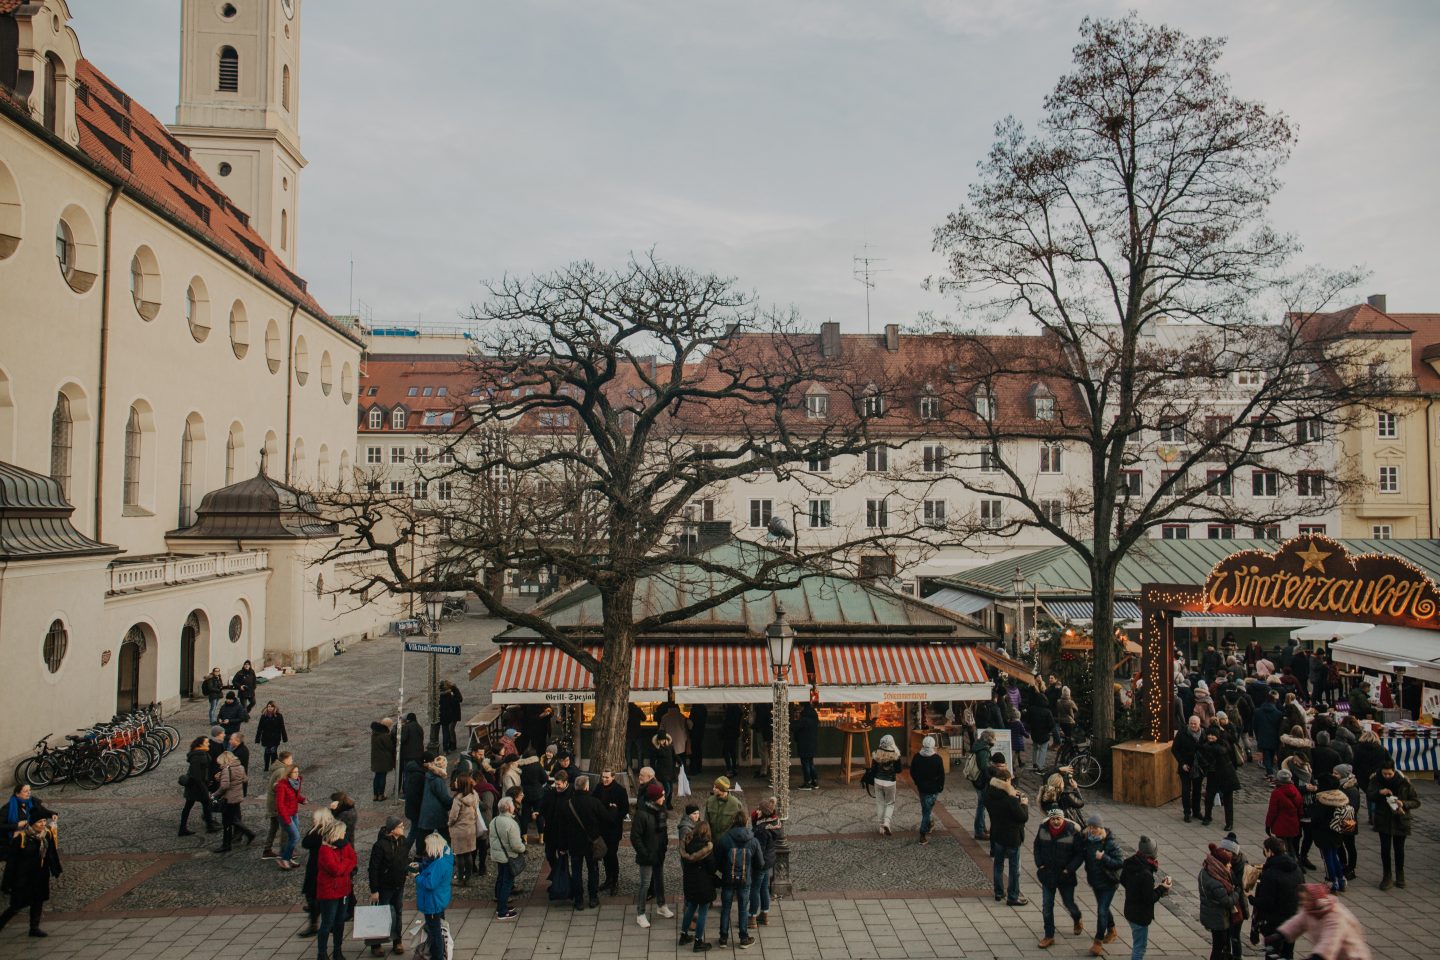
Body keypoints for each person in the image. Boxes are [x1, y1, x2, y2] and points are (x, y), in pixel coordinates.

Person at [0, 805, 61, 938]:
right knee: (16, 905)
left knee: (37, 901)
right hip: (23, 877)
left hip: (40, 874)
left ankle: (34, 927)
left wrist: (55, 868)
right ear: (32, 823)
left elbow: (51, 853)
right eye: (39, 822)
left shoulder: (46, 834)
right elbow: (12, 863)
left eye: (44, 821)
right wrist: (7, 883)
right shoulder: (21, 839)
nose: (43, 824)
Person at [1270, 884, 1370, 960]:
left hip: (1352, 956)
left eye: (1306, 899)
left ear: (1314, 900)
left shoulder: (1335, 916)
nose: (1302, 902)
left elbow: (1330, 942)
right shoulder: (1309, 909)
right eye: (1301, 899)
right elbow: (1296, 923)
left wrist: (1316, 957)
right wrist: (1279, 935)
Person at [1033, 806, 1084, 949]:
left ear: (1063, 819)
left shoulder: (1072, 831)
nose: (1055, 822)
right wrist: (1040, 864)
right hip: (1048, 874)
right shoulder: (1043, 829)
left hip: (1065, 876)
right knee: (1047, 906)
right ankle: (1049, 935)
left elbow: (1079, 854)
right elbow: (1037, 846)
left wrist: (1069, 869)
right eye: (1053, 819)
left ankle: (1077, 917)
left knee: (1069, 904)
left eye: (1058, 819)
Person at [1368, 761, 1418, 889]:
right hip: (1383, 819)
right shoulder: (1376, 780)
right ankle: (1387, 876)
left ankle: (1400, 875)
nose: (1387, 776)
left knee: (1399, 849)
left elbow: (1416, 801)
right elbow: (1370, 795)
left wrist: (1403, 803)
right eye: (1385, 774)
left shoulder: (1404, 783)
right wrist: (1380, 793)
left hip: (1400, 820)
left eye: (1389, 774)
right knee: (1385, 849)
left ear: (1394, 771)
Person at [1120, 835, 1170, 960]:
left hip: (1130, 910)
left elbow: (1122, 880)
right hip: (1140, 916)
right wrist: (1162, 888)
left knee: (1138, 943)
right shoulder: (1146, 874)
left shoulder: (1130, 862)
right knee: (1140, 947)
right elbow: (1149, 898)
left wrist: (1134, 890)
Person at [1252, 836, 1302, 960]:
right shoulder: (1296, 869)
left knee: (1272, 954)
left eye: (1265, 850)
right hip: (1293, 920)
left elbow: (1267, 902)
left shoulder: (1270, 874)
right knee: (1288, 953)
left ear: (1270, 852)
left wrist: (1251, 898)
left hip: (1274, 923)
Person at [365, 816, 409, 958]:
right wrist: (374, 890)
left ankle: (397, 941)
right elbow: (373, 868)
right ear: (392, 830)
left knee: (398, 912)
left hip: (398, 884)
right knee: (381, 914)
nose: (403, 828)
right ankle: (376, 944)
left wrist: (406, 871)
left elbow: (404, 859)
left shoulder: (403, 841)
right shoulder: (380, 846)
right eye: (400, 826)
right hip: (384, 886)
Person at [313, 819, 357, 960]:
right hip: (329, 892)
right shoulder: (324, 850)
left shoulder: (344, 845)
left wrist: (344, 865)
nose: (345, 834)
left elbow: (353, 859)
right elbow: (335, 869)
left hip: (344, 890)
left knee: (340, 922)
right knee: (327, 923)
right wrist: (346, 864)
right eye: (343, 832)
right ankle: (322, 953)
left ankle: (337, 950)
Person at [716, 811, 760, 950]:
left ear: (733, 821)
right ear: (746, 822)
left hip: (728, 878)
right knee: (742, 908)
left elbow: (717, 859)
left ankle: (723, 938)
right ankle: (743, 937)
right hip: (745, 879)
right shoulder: (752, 840)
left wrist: (725, 871)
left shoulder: (724, 838)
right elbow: (760, 862)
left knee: (726, 908)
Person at [985, 768, 1029, 906]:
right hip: (1012, 837)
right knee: (1014, 867)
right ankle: (1013, 896)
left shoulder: (989, 794)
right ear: (1006, 781)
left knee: (998, 865)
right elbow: (1022, 817)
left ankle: (999, 892)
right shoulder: (1010, 799)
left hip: (997, 834)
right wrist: (1024, 805)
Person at [1081, 813, 1124, 955]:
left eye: (1096, 827)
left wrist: (1104, 857)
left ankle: (1098, 941)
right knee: (1104, 908)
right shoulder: (1087, 840)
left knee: (1101, 910)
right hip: (1095, 881)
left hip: (1108, 883)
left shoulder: (1110, 843)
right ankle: (1111, 929)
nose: (1093, 829)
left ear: (1101, 827)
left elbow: (1120, 862)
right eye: (1091, 827)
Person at [632, 781, 673, 927]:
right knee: (645, 884)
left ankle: (661, 906)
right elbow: (635, 837)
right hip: (648, 855)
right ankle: (640, 913)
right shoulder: (642, 814)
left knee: (659, 880)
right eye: (662, 796)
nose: (664, 799)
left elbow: (664, 832)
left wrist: (664, 847)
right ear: (654, 798)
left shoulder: (660, 810)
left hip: (658, 853)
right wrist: (645, 853)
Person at [564, 775, 605, 910]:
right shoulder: (594, 802)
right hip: (591, 843)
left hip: (574, 843)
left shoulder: (568, 804)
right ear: (587, 787)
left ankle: (579, 899)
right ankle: (593, 897)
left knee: (576, 871)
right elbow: (606, 819)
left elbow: (562, 825)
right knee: (593, 870)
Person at [1198, 839, 1243, 960]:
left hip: (1214, 915)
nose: (1230, 865)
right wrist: (1236, 893)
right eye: (1228, 864)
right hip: (1218, 918)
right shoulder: (1216, 881)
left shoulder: (1208, 871)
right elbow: (1226, 901)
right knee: (1219, 947)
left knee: (1220, 946)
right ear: (1220, 865)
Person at [679, 820, 718, 953]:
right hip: (703, 884)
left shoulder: (687, 844)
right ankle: (698, 942)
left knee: (691, 907)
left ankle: (683, 935)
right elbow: (712, 868)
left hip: (689, 882)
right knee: (703, 912)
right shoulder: (706, 848)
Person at [415, 832, 454, 960]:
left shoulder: (439, 864)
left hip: (432, 902)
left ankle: (438, 956)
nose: (426, 849)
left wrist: (417, 877)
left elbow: (429, 883)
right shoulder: (444, 858)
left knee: (435, 932)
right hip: (439, 899)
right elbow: (431, 869)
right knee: (438, 929)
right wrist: (421, 867)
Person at [1313, 776, 1354, 892]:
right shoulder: (1342, 799)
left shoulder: (1323, 800)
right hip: (1337, 832)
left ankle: (1332, 880)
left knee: (1327, 858)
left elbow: (1316, 818)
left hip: (1324, 833)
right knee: (1334, 856)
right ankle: (1341, 879)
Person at [489, 796, 525, 920]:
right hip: (508, 856)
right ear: (509, 808)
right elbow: (516, 845)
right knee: (507, 882)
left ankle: (500, 906)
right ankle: (503, 910)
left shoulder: (494, 821)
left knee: (500, 879)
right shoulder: (511, 823)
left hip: (498, 855)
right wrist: (523, 848)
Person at [213, 750, 256, 853]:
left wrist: (215, 794)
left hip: (229, 798)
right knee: (234, 819)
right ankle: (247, 834)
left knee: (227, 822)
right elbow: (245, 779)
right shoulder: (240, 767)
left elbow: (225, 786)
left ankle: (227, 844)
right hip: (237, 797)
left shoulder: (226, 770)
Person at [595, 769, 629, 894]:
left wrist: (614, 816)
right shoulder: (598, 788)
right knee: (605, 855)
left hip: (613, 829)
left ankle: (614, 880)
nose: (604, 779)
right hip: (601, 828)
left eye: (607, 777)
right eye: (603, 777)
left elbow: (625, 809)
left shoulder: (620, 790)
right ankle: (608, 879)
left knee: (612, 855)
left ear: (613, 777)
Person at [748, 797, 780, 928]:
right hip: (769, 860)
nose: (757, 811)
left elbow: (758, 849)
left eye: (759, 809)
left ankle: (752, 917)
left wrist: (756, 863)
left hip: (760, 862)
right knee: (764, 887)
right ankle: (765, 914)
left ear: (763, 812)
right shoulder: (774, 822)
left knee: (755, 889)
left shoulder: (761, 830)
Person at [1199, 724, 1238, 830]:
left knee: (1228, 800)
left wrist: (1207, 746)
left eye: (1213, 735)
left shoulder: (1222, 745)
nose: (1210, 737)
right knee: (1209, 797)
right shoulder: (1206, 745)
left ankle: (1229, 822)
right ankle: (1207, 817)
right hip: (1213, 775)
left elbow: (1221, 750)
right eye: (1209, 735)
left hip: (1226, 775)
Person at [448, 775, 483, 886]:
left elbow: (453, 816)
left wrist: (449, 824)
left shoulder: (458, 799)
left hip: (459, 830)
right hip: (470, 828)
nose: (456, 782)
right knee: (468, 854)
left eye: (457, 781)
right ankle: (468, 877)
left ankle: (460, 878)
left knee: (459, 854)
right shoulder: (474, 795)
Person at [179, 736, 216, 837]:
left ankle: (209, 826)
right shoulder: (197, 756)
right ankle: (209, 826)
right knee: (201, 805)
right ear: (200, 744)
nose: (208, 744)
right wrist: (204, 787)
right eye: (206, 743)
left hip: (198, 786)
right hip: (195, 787)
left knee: (199, 805)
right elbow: (196, 775)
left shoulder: (202, 753)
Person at [910, 735, 945, 844]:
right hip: (933, 788)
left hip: (922, 787)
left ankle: (929, 824)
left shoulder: (917, 757)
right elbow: (941, 775)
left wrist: (917, 781)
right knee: (927, 810)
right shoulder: (937, 759)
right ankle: (922, 834)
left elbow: (912, 771)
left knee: (925, 808)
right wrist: (940, 786)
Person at [868, 734, 904, 836]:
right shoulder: (896, 755)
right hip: (890, 782)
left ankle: (881, 827)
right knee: (890, 803)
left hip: (878, 782)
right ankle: (887, 823)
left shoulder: (876, 754)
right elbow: (899, 770)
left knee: (880, 803)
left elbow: (873, 770)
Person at [262, 749, 295, 859]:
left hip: (273, 804)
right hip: (278, 805)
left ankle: (267, 850)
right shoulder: (282, 771)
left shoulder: (278, 768)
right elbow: (278, 788)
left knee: (274, 827)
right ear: (286, 760)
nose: (292, 760)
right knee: (286, 829)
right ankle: (285, 852)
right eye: (291, 759)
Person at [1265, 770, 1304, 859]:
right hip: (1293, 824)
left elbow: (1272, 811)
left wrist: (1268, 825)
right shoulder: (1295, 790)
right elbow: (1300, 808)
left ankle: (1287, 864)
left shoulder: (1277, 792)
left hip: (1280, 824)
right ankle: (1295, 862)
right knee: (1290, 845)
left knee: (1281, 847)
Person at [1172, 716, 1204, 823]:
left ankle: (1197, 811)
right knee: (1186, 791)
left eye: (1195, 724)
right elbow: (1175, 749)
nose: (1193, 726)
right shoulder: (1182, 733)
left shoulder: (1203, 734)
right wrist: (1182, 763)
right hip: (1185, 766)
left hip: (1198, 766)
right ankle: (1187, 813)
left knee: (1197, 790)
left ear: (1199, 724)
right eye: (1191, 723)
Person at [275, 764, 307, 870]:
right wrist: (287, 819)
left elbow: (295, 796)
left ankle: (287, 858)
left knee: (292, 837)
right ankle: (284, 859)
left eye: (298, 772)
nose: (297, 774)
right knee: (295, 837)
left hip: (294, 813)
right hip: (286, 816)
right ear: (289, 774)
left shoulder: (295, 783)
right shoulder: (282, 786)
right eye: (295, 772)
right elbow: (280, 805)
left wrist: (302, 800)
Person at [418, 756, 453, 845]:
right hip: (436, 812)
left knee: (424, 834)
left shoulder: (430, 776)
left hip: (428, 811)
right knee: (445, 835)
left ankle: (420, 854)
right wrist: (454, 802)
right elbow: (444, 797)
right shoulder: (438, 780)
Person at [970, 730, 997, 839]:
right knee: (981, 806)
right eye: (994, 738)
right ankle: (979, 830)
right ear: (989, 739)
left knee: (982, 805)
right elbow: (984, 768)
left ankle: (982, 827)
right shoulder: (984, 750)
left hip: (977, 779)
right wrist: (992, 778)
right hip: (981, 781)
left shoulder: (978, 745)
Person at [704, 777, 744, 847]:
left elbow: (741, 825)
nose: (713, 789)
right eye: (713, 787)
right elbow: (706, 821)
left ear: (723, 790)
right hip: (713, 842)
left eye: (716, 788)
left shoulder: (736, 804)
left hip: (729, 843)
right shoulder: (710, 801)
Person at [1253, 692, 1284, 776]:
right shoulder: (1278, 714)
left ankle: (1269, 772)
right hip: (1274, 737)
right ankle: (1270, 771)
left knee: (1266, 755)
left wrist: (1257, 736)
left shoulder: (1258, 712)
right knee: (1271, 754)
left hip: (1263, 735)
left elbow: (1255, 725)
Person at [250, 700, 286, 770]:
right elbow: (259, 728)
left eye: (271, 706)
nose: (270, 708)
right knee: (267, 752)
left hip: (275, 738)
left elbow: (282, 727)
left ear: (274, 707)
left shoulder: (279, 716)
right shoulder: (264, 716)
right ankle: (266, 767)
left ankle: (273, 767)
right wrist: (257, 739)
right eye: (268, 706)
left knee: (273, 752)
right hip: (266, 738)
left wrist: (284, 738)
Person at [792, 703, 820, 790]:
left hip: (804, 744)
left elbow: (794, 728)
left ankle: (807, 783)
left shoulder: (803, 719)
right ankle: (814, 781)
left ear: (803, 707)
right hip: (812, 744)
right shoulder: (814, 716)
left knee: (805, 763)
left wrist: (795, 719)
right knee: (810, 763)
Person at [398, 713, 425, 798]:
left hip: (409, 755)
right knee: (416, 773)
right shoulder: (419, 727)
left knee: (408, 775)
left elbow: (403, 739)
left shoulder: (407, 727)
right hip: (419, 754)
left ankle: (407, 793)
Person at [370, 718, 396, 802]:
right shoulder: (384, 735)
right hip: (384, 759)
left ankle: (375, 795)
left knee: (377, 776)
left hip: (376, 758)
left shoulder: (374, 734)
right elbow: (390, 747)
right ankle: (381, 795)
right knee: (382, 777)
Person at [1028, 697, 1056, 772]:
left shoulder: (1032, 709)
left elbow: (1028, 720)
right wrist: (1049, 730)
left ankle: (1034, 763)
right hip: (1044, 733)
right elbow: (1052, 724)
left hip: (1034, 732)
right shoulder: (1047, 712)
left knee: (1035, 748)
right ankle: (1040, 766)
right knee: (1043, 749)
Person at [435, 680, 464, 753]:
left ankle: (450, 745)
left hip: (445, 716)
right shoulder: (449, 696)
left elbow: (459, 699)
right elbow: (459, 699)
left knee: (448, 730)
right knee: (448, 731)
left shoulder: (443, 696)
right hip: (448, 716)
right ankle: (448, 746)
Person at [720, 705, 743, 782]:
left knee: (725, 751)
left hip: (728, 733)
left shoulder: (730, 709)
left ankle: (729, 769)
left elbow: (727, 722)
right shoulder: (738, 709)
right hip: (735, 733)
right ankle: (734, 768)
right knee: (732, 751)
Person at [627, 703, 648, 774]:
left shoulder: (625, 710)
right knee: (639, 751)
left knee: (628, 751)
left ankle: (629, 768)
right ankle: (640, 768)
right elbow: (644, 718)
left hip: (628, 733)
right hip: (637, 733)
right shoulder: (637, 709)